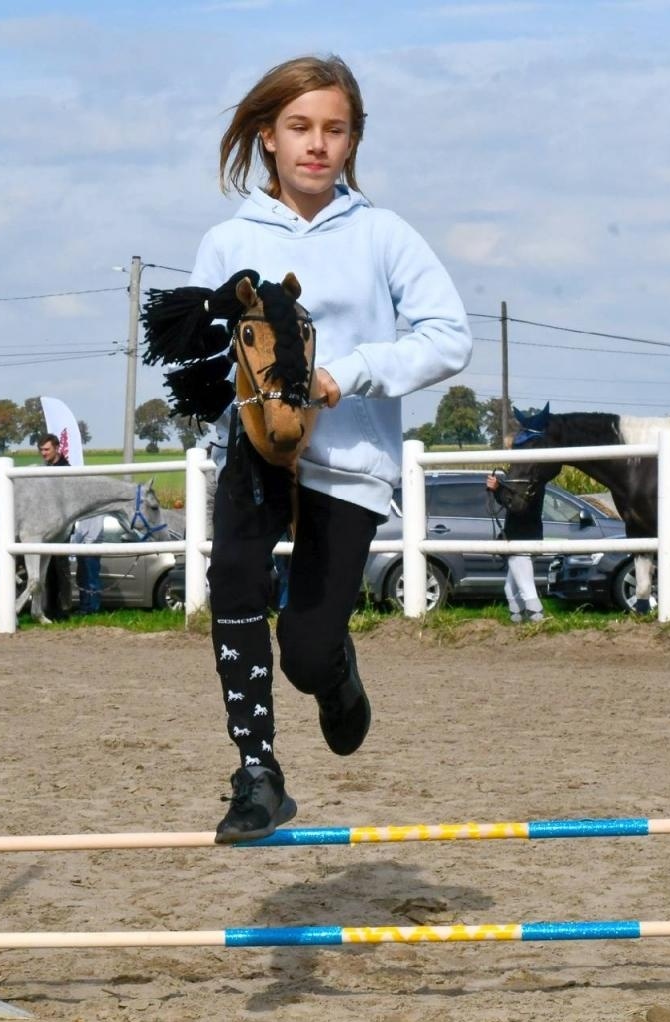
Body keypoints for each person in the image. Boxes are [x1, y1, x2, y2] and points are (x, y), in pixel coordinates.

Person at [188, 55, 472, 842]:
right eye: (300, 127)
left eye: (335, 130)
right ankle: (257, 775)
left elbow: (450, 337)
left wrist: (342, 374)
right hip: (254, 453)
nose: (317, 144)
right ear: (267, 136)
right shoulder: (227, 241)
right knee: (234, 576)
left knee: (306, 656)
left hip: (349, 465)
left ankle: (335, 669)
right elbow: (198, 359)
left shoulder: (384, 235)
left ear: (353, 140)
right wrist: (233, 378)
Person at [487, 467, 546, 623]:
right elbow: (511, 501)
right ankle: (518, 622)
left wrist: (497, 489)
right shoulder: (533, 482)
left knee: (526, 587)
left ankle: (537, 619)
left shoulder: (529, 483)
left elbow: (516, 505)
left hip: (520, 538)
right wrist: (499, 490)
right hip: (529, 536)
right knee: (511, 589)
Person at [35, 433, 83, 618]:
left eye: (47, 449)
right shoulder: (46, 469)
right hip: (47, 527)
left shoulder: (66, 470)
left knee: (61, 568)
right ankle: (50, 608)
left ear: (57, 448)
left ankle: (63, 609)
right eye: (41, 450)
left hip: (62, 527)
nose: (44, 453)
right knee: (48, 570)